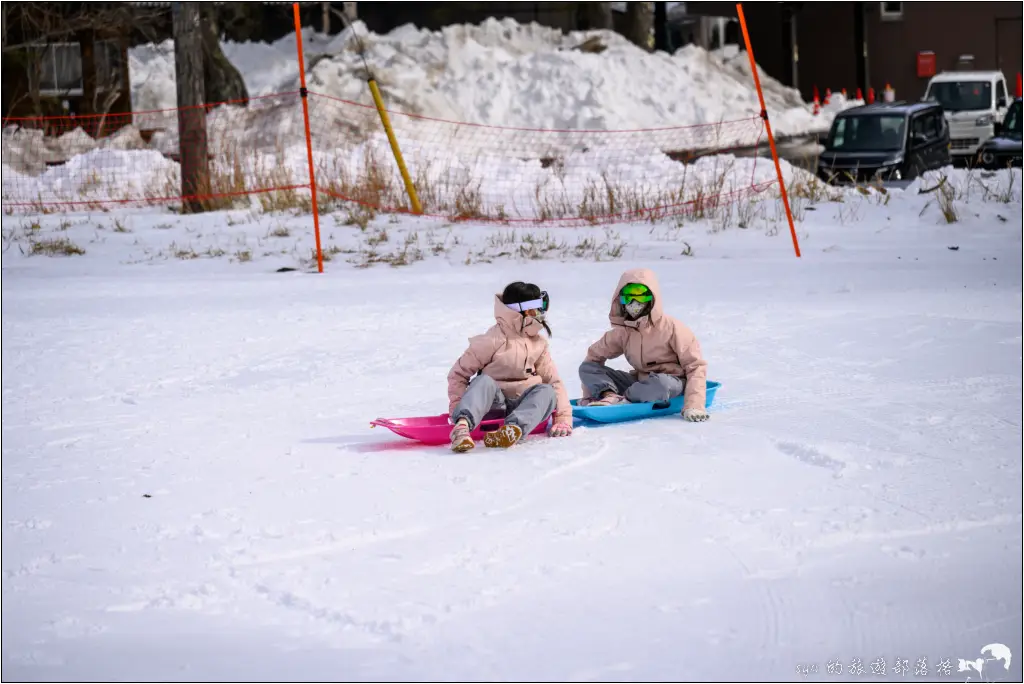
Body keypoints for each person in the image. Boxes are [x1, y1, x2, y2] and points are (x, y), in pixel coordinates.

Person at [447, 282, 574, 452]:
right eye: (535, 309)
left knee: (546, 391)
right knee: (483, 381)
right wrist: (458, 409)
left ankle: (511, 431)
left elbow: (554, 381)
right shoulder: (492, 340)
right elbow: (458, 374)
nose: (540, 314)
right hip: (492, 404)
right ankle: (462, 428)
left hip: (524, 406)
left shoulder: (538, 343)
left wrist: (563, 418)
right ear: (520, 312)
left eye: (541, 308)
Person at [578, 267, 710, 422]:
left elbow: (695, 366)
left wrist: (694, 405)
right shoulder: (624, 331)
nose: (634, 302)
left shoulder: (673, 328)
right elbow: (594, 356)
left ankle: (625, 399)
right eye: (627, 296)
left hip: (672, 384)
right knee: (587, 368)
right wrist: (591, 395)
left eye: (639, 294)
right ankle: (610, 396)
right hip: (640, 384)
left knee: (661, 383)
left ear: (651, 297)